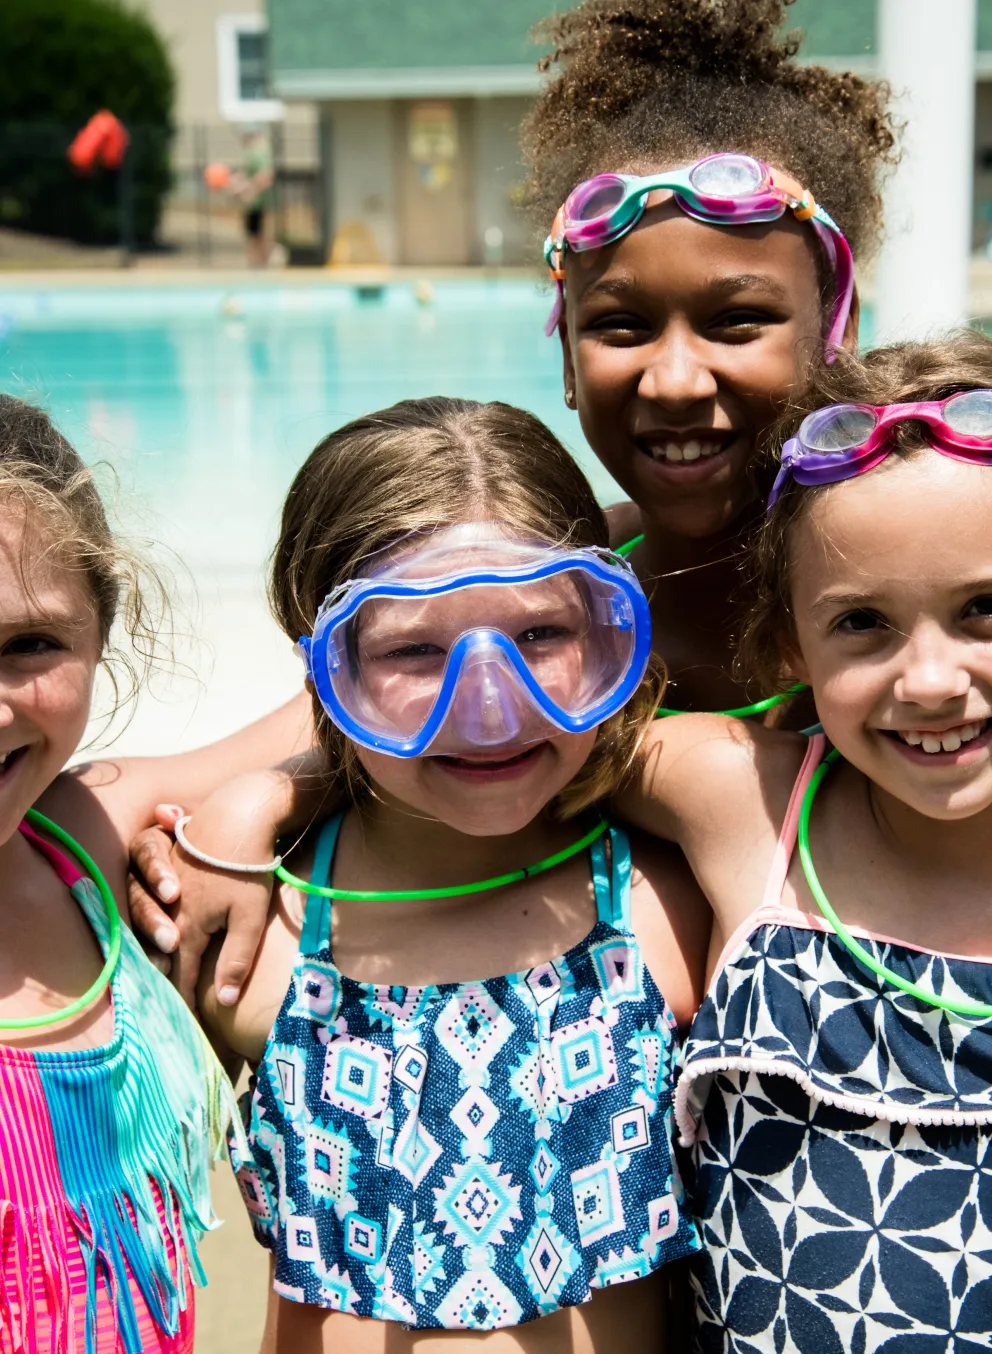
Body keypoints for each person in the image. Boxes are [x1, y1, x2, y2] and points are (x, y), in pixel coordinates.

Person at [122, 0, 900, 1002]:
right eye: (618, 326)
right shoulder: (538, 603)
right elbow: (172, 782)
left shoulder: (917, 602)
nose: (670, 378)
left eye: (736, 320)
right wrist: (253, 800)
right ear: (565, 356)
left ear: (832, 329)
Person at [184, 396, 709, 1349]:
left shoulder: (671, 906)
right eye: (414, 651)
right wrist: (249, 803)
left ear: (605, 630)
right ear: (325, 666)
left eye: (543, 637)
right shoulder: (249, 937)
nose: (490, 709)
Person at [609, 332, 992, 1346]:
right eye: (861, 623)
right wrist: (279, 798)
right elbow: (508, 736)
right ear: (789, 643)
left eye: (981, 609)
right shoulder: (746, 804)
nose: (929, 681)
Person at [0, 395, 246, 1350]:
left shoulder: (76, 839)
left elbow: (345, 712)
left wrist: (256, 804)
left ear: (102, 632)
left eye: (30, 646)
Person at [228, 127, 275, 268]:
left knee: (259, 237)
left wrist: (248, 188)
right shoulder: (252, 150)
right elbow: (250, 174)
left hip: (261, 203)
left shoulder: (260, 151)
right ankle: (256, 266)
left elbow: (266, 176)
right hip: (253, 204)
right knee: (252, 235)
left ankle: (263, 265)